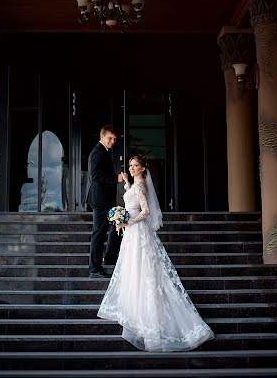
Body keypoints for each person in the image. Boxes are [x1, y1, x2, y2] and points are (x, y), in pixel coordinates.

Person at [97, 153, 214, 351]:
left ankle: (148, 318)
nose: (132, 168)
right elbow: (130, 197)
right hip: (133, 235)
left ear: (143, 168)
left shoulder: (141, 186)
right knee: (136, 271)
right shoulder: (135, 184)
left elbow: (145, 211)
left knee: (142, 272)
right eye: (130, 165)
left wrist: (127, 221)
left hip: (138, 232)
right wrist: (126, 183)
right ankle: (137, 312)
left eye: (135, 166)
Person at [86, 125, 122, 278]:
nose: (113, 141)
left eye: (114, 139)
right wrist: (116, 178)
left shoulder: (104, 152)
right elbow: (95, 176)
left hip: (106, 200)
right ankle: (95, 269)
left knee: (116, 225)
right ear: (102, 137)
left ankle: (110, 257)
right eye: (110, 138)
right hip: (100, 200)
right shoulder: (97, 152)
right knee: (99, 233)